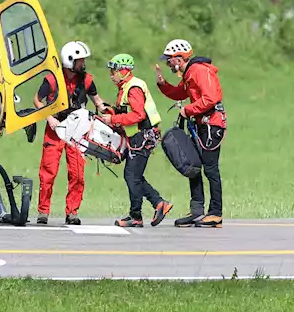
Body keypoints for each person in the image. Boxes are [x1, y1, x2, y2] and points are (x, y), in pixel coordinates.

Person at [31, 41, 109, 225]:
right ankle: (43, 212)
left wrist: (110, 114)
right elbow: (37, 100)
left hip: (77, 131)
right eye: (80, 61)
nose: (83, 64)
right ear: (70, 61)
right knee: (48, 171)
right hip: (56, 129)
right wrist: (50, 118)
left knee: (77, 174)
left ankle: (72, 212)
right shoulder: (52, 79)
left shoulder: (87, 80)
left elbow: (98, 101)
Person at [155, 38, 226, 227]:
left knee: (211, 169)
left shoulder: (199, 70)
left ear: (179, 58)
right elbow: (180, 93)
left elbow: (211, 98)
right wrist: (163, 84)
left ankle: (215, 213)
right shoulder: (189, 73)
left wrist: (188, 110)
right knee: (194, 166)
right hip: (201, 124)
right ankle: (197, 210)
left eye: (169, 59)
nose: (168, 63)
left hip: (212, 125)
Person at [102, 53, 173, 228]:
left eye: (114, 71)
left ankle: (137, 216)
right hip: (138, 136)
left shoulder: (133, 87)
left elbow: (138, 115)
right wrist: (112, 112)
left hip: (143, 136)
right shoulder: (126, 86)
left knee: (132, 175)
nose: (112, 75)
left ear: (125, 70)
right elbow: (127, 111)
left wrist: (113, 120)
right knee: (134, 175)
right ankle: (157, 204)